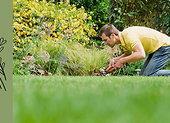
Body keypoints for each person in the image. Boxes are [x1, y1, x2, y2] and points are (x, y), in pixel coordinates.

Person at [99, 24, 170, 76]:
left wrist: (122, 61)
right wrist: (115, 60)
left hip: (165, 46)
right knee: (142, 76)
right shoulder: (123, 39)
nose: (105, 43)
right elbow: (128, 54)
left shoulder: (129, 36)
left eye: (105, 40)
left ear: (113, 36)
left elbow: (141, 54)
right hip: (157, 49)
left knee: (149, 75)